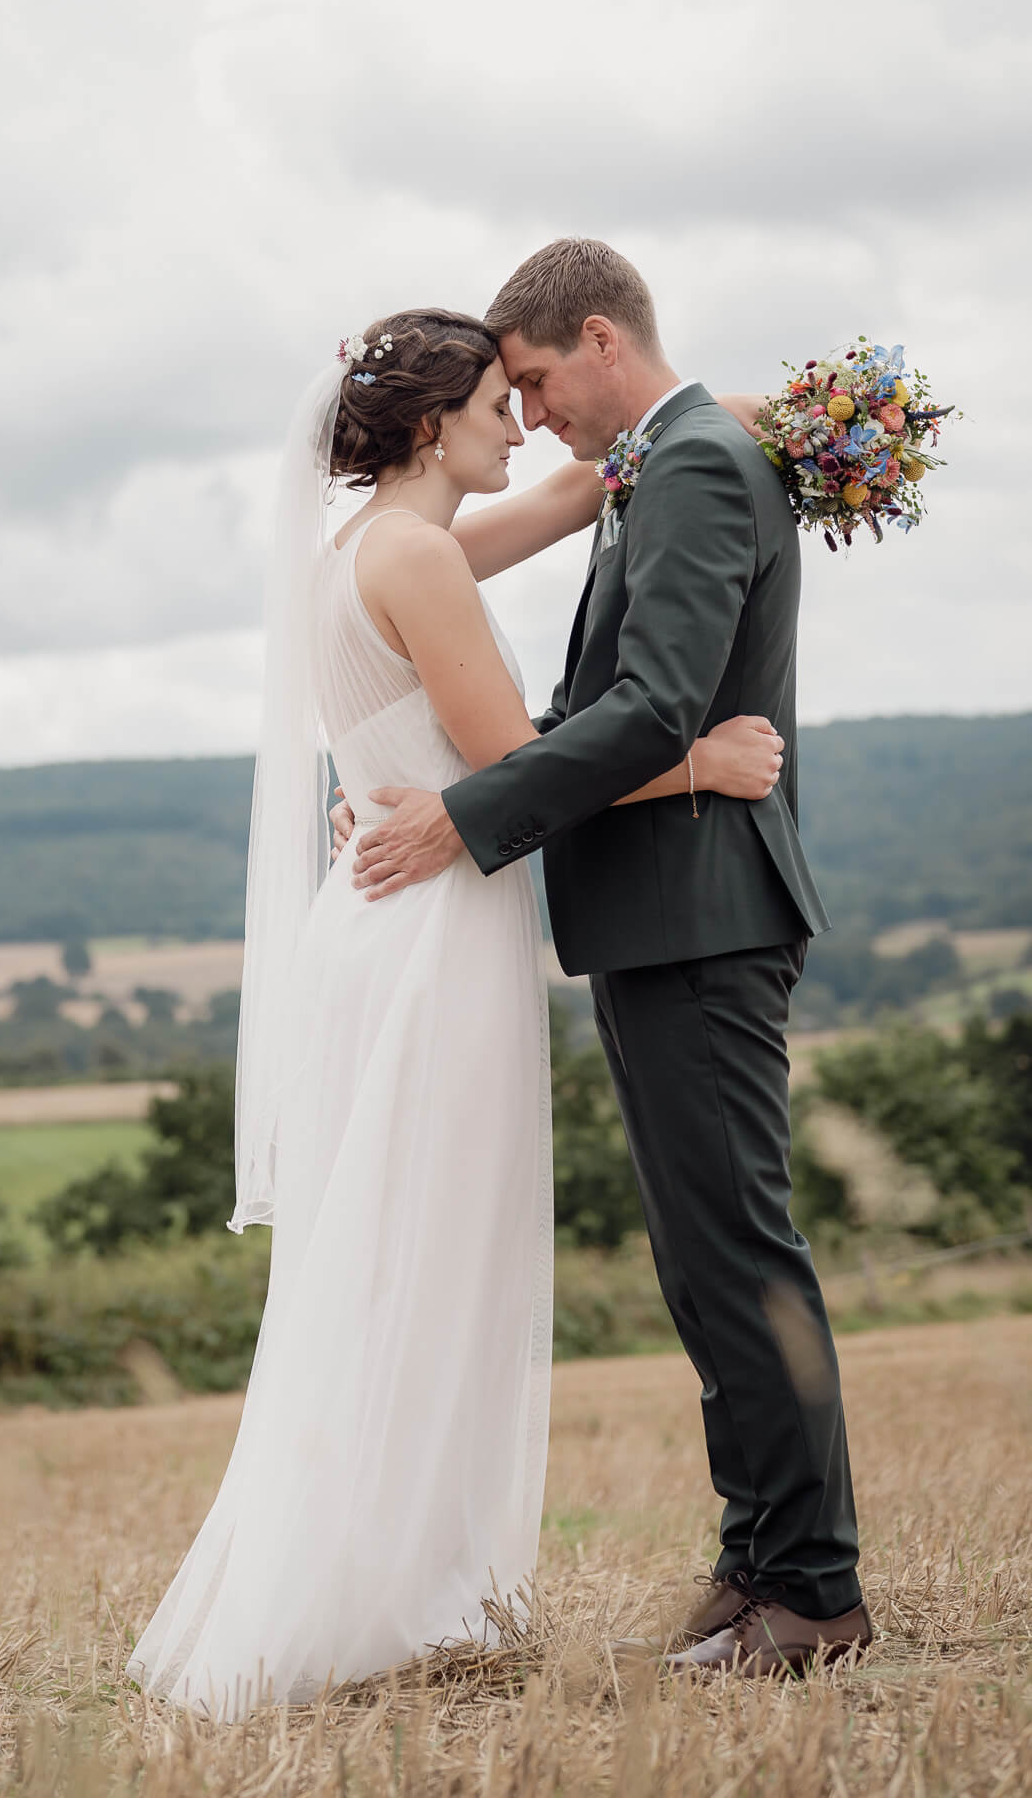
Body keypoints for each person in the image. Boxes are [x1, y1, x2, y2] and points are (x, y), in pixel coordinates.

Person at [124, 309, 786, 1715]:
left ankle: (398, 1578)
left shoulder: (368, 549)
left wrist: (729, 412)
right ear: (432, 426)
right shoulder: (417, 557)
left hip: (384, 923)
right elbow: (515, 762)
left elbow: (571, 491)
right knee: (423, 1248)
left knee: (394, 1249)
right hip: (431, 934)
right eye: (499, 400)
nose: (522, 422)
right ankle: (385, 1594)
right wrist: (702, 765)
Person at [348, 242, 872, 1680]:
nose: (532, 419)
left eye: (531, 382)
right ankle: (757, 1556)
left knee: (738, 1256)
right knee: (703, 1264)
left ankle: (811, 1594)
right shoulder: (672, 455)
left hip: (703, 912)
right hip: (660, 915)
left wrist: (460, 818)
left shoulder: (694, 462)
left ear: (595, 337)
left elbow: (650, 710)